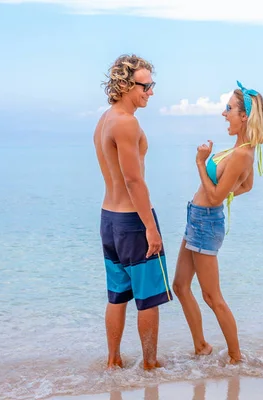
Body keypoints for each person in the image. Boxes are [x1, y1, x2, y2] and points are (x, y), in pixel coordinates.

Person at [172, 81, 263, 364]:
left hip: (205, 222)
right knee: (180, 286)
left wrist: (201, 165)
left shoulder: (242, 154)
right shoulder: (238, 149)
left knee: (212, 296)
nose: (224, 113)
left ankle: (236, 357)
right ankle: (201, 346)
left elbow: (215, 198)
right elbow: (247, 186)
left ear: (244, 117)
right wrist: (220, 193)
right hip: (197, 218)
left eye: (229, 108)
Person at [93, 54, 172, 370]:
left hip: (109, 219)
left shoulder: (105, 120)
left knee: (117, 295)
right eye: (146, 85)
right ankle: (150, 365)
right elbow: (133, 179)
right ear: (125, 85)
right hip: (132, 221)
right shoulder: (126, 123)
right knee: (149, 296)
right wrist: (150, 227)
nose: (151, 91)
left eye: (152, 84)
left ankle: (113, 361)